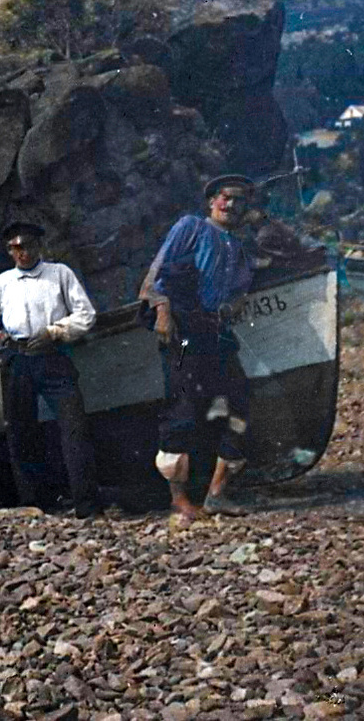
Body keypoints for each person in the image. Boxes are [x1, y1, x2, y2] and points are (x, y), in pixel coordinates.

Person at [0, 222, 102, 518]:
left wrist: (55, 331)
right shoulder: (3, 283)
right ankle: (35, 504)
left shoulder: (59, 274)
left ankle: (86, 504)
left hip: (52, 355)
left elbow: (86, 314)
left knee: (74, 427)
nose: (22, 253)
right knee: (20, 430)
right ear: (9, 251)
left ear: (38, 245)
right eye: (15, 248)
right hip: (18, 357)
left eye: (26, 245)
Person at [142, 174, 257, 522]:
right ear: (211, 201)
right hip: (183, 326)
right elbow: (154, 279)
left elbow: (239, 290)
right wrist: (162, 310)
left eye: (240, 200)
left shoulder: (238, 248)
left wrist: (235, 302)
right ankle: (178, 499)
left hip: (215, 331)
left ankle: (217, 493)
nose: (232, 205)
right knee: (183, 406)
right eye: (226, 198)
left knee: (241, 402)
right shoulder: (190, 227)